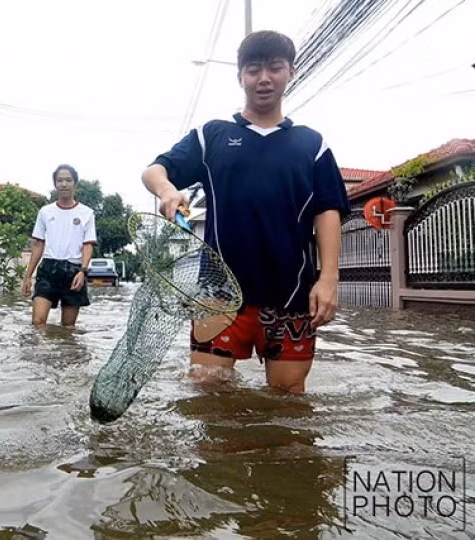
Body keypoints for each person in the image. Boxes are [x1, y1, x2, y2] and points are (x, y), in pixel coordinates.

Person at [141, 30, 350, 393]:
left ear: (291, 72)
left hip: (291, 296)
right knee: (208, 397)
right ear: (240, 76)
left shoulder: (312, 144)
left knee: (288, 406)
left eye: (275, 68)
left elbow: (328, 210)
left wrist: (328, 278)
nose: (264, 78)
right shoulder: (212, 136)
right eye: (253, 69)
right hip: (216, 294)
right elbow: (154, 169)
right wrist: (166, 190)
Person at [21, 165, 97, 327]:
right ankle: (38, 352)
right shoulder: (45, 212)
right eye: (59, 180)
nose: (64, 184)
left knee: (68, 328)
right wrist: (28, 275)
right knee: (37, 322)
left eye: (68, 180)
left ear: (75, 184)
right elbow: (38, 244)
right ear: (55, 184)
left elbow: (88, 245)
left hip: (74, 271)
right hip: (48, 269)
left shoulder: (87, 213)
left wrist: (83, 271)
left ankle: (65, 353)